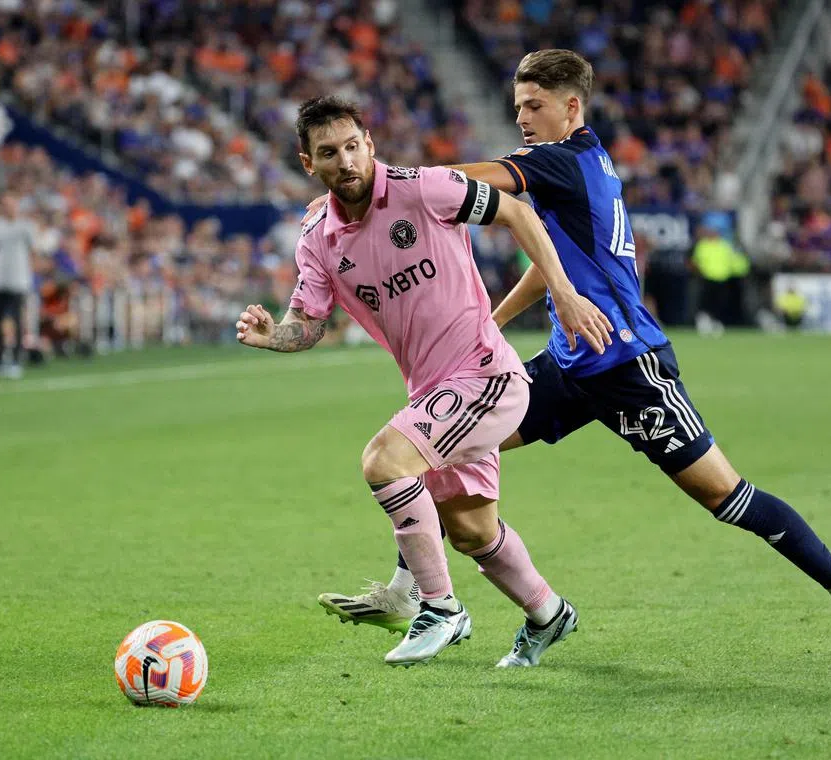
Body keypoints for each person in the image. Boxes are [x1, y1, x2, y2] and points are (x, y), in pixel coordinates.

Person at [318, 49, 831, 663]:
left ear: (572, 107)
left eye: (534, 106)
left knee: (725, 497)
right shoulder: (581, 167)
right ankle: (413, 593)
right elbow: (556, 264)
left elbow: (470, 183)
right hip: (568, 365)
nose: (523, 118)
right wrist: (494, 320)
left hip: (627, 365)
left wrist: (389, 183)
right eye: (518, 108)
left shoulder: (561, 161)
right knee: (438, 445)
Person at [237, 96, 613, 667]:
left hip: (484, 373)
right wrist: (274, 335)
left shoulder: (423, 188)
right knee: (470, 530)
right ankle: (549, 613)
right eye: (328, 153)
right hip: (432, 391)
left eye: (352, 146)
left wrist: (563, 291)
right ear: (308, 163)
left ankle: (438, 610)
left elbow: (517, 211)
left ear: (370, 143)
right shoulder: (317, 236)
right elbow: (308, 323)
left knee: (385, 460)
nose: (345, 161)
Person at [0, 194, 36, 378]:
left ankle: (16, 359)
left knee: (17, 321)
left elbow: (34, 246)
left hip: (18, 279)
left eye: (12, 204)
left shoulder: (26, 226)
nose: (9, 208)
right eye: (5, 205)